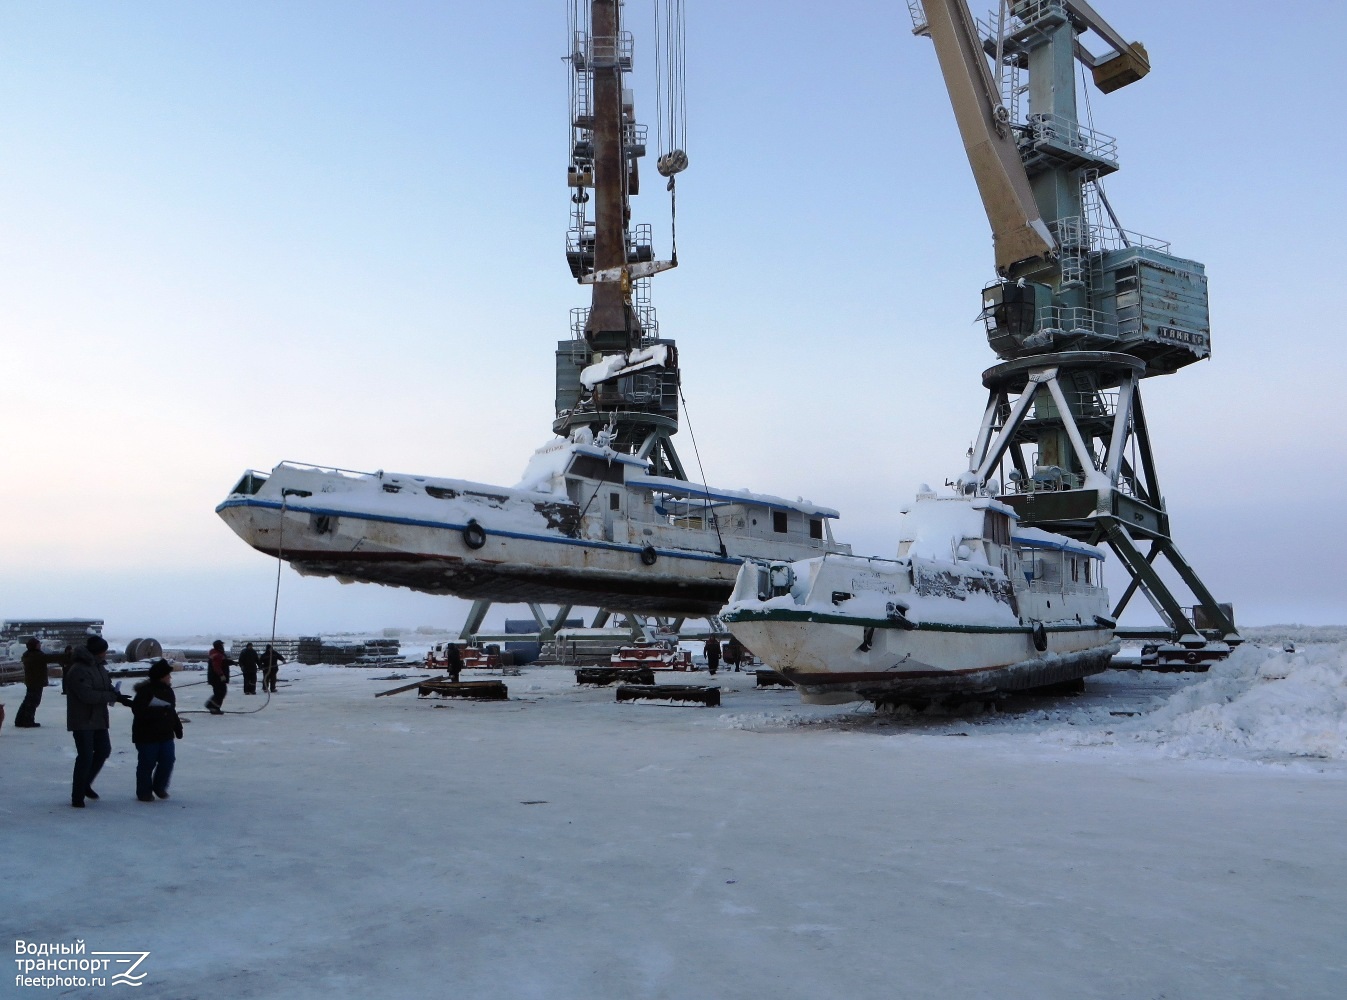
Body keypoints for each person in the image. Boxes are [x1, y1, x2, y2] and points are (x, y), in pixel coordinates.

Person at [65, 635, 132, 807]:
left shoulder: (99, 667)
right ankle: (77, 795)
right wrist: (110, 696)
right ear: (96, 652)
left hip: (98, 718)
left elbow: (106, 686)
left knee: (103, 750)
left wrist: (118, 696)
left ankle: (86, 783)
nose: (105, 654)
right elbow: (86, 695)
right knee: (85, 756)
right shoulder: (79, 669)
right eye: (103, 651)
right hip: (82, 719)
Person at [131, 659, 183, 802]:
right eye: (168, 675)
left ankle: (159, 787)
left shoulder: (168, 690)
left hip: (165, 733)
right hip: (146, 735)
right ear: (161, 676)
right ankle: (144, 791)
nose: (170, 678)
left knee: (168, 761)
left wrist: (177, 727)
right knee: (147, 763)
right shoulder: (145, 691)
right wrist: (160, 712)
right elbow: (138, 711)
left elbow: (171, 711)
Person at [16, 638, 57, 727]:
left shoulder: (29, 655)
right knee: (32, 702)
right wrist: (68, 656)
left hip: (32, 681)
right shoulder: (36, 655)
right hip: (36, 682)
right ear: (34, 646)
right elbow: (51, 658)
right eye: (38, 644)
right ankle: (27, 721)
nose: (40, 646)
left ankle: (20, 720)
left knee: (28, 701)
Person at [206, 640, 233, 714]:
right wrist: (221, 675)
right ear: (219, 646)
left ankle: (214, 707)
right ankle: (212, 706)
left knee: (219, 692)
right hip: (217, 678)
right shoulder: (217, 654)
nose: (223, 646)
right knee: (220, 692)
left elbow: (223, 662)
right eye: (222, 645)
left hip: (215, 677)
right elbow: (216, 666)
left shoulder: (217, 653)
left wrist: (232, 662)